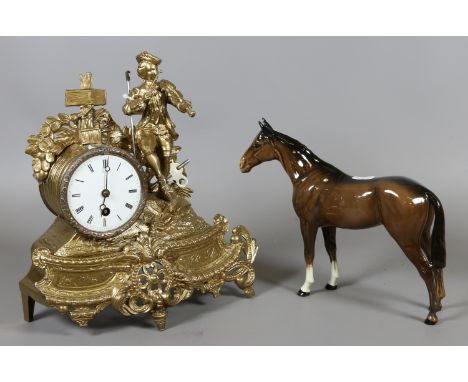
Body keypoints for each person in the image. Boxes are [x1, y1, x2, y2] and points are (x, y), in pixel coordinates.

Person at [123, 51, 195, 201]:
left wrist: (185, 107)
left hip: (163, 127)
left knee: (166, 157)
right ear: (143, 72)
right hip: (147, 127)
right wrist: (143, 99)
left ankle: (162, 188)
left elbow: (176, 99)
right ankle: (162, 181)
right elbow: (127, 109)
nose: (154, 71)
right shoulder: (138, 91)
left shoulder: (164, 86)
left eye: (155, 69)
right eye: (150, 69)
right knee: (147, 147)